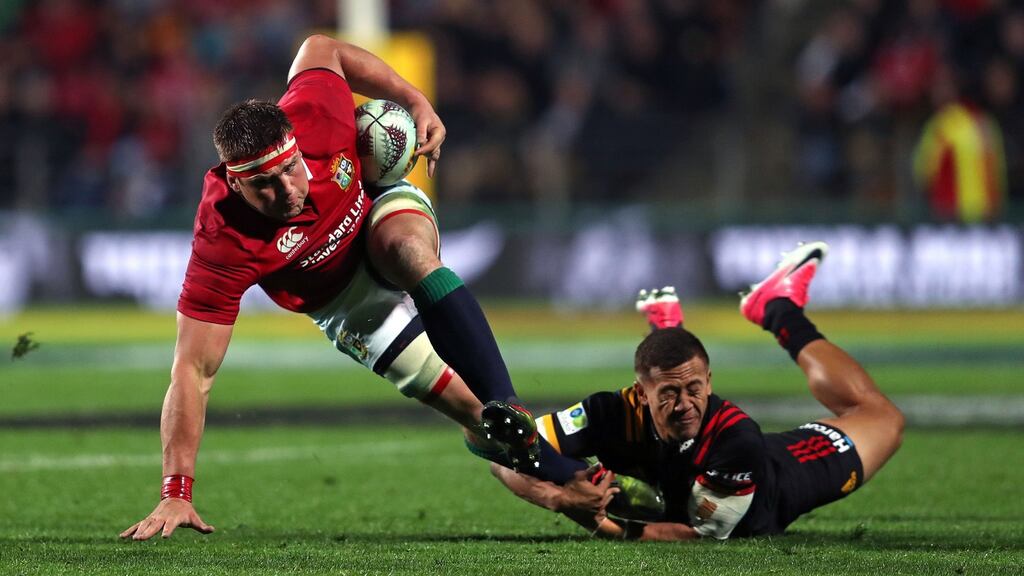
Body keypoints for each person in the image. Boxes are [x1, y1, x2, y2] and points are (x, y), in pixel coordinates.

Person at [120, 34, 593, 541]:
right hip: (345, 304)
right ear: (234, 184)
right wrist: (176, 491)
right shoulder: (223, 240)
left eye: (290, 168)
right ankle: (596, 499)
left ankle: (508, 398)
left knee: (406, 252)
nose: (287, 191)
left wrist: (415, 99)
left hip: (376, 214)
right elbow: (192, 372)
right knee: (481, 421)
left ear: (296, 144)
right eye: (265, 185)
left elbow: (323, 47)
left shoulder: (316, 112)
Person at [492, 242, 905, 540]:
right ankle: (671, 329)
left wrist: (598, 521)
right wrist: (558, 499)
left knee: (880, 415)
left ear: (711, 383)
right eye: (669, 393)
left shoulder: (738, 437)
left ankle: (777, 309)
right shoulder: (607, 412)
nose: (686, 405)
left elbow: (695, 532)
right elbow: (505, 456)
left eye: (695, 388)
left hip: (775, 481)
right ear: (639, 393)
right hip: (673, 471)